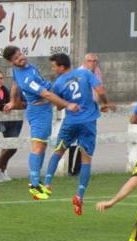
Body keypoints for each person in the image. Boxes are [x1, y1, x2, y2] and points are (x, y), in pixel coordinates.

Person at [2, 45, 79, 200]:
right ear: (12, 62)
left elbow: (14, 85)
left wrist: (12, 101)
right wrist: (67, 104)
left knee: (41, 145)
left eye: (20, 54)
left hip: (43, 110)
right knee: (37, 147)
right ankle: (34, 184)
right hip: (39, 112)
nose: (21, 58)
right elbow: (45, 94)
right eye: (16, 58)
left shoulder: (25, 68)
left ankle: (36, 182)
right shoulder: (27, 79)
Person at [43, 53, 115, 215]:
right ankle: (79, 195)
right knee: (86, 158)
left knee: (59, 151)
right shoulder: (85, 73)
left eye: (54, 66)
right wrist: (105, 103)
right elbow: (100, 90)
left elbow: (59, 106)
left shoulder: (59, 83)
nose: (53, 69)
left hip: (71, 122)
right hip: (88, 122)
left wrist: (66, 103)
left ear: (62, 67)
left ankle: (47, 183)